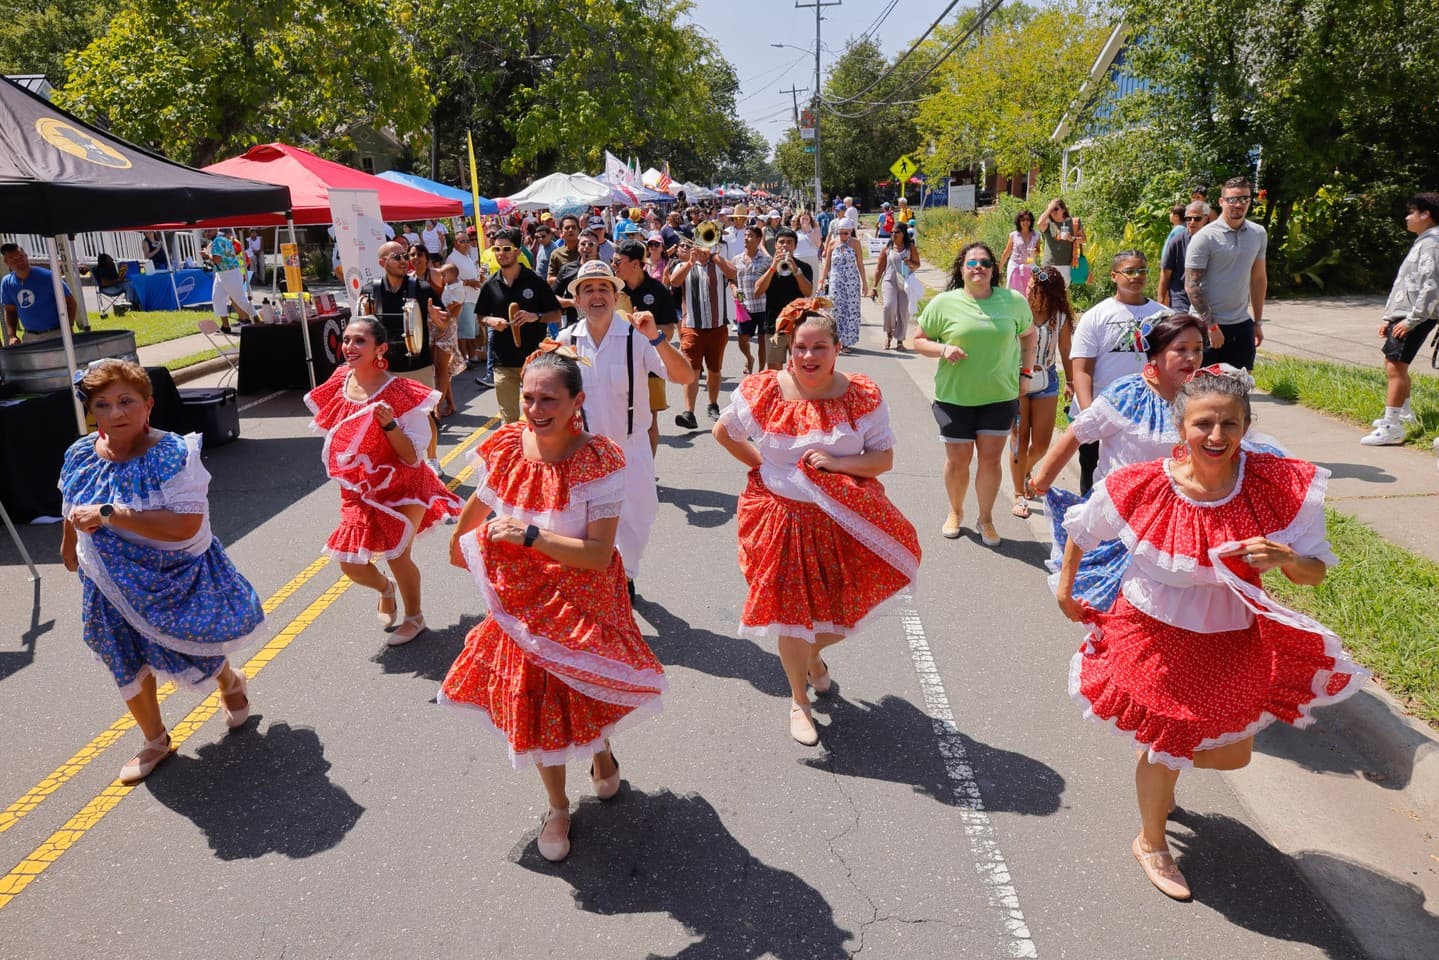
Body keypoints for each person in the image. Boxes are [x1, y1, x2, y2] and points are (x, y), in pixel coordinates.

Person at [1055, 366, 1368, 901]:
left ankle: (1158, 765)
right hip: (1151, 633)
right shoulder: (1144, 484)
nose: (1217, 436)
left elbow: (1315, 572)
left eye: (1230, 424)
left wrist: (1287, 558)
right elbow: (1081, 529)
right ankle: (1151, 840)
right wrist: (1066, 591)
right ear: (1182, 429)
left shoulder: (1273, 487)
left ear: (1246, 427)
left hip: (1230, 638)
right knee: (1166, 743)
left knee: (1232, 753)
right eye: (1204, 424)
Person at [439, 349, 667, 863]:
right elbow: (484, 499)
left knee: (582, 692)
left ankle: (601, 750)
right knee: (538, 705)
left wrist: (530, 536)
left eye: (548, 399)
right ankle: (558, 806)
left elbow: (598, 554)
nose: (535, 408)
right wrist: (461, 538)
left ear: (576, 403)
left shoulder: (599, 459)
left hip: (582, 598)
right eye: (528, 397)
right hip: (520, 601)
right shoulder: (506, 446)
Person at [713, 305, 920, 746]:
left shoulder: (861, 394)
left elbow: (883, 459)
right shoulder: (766, 389)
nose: (808, 356)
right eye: (801, 347)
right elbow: (724, 432)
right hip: (779, 518)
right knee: (789, 617)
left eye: (819, 347)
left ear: (837, 349)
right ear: (790, 349)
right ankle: (798, 700)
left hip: (841, 519)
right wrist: (763, 468)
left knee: (841, 611)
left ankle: (812, 659)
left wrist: (836, 462)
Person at [60, 359, 264, 783]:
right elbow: (71, 503)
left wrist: (111, 514)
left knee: (187, 648)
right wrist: (68, 543)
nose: (115, 413)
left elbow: (185, 524)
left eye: (125, 401)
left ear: (148, 405)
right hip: (107, 581)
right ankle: (155, 739)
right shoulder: (81, 454)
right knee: (123, 653)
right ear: (91, 412)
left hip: (172, 574)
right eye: (102, 404)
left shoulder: (171, 453)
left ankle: (229, 679)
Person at [1033, 313, 1212, 610]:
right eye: (1181, 350)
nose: (1191, 358)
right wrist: (1042, 481)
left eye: (1198, 349)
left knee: (1169, 610)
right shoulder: (1128, 394)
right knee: (1117, 608)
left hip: (1179, 524)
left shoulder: (1206, 397)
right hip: (1119, 522)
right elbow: (1077, 433)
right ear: (1155, 355)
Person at [305, 316, 462, 646]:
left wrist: (390, 426)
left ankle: (414, 617)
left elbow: (411, 457)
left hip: (404, 484)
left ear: (381, 349)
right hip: (359, 490)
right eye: (347, 339)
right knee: (350, 562)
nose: (350, 346)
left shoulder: (401, 392)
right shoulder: (338, 382)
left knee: (396, 553)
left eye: (359, 340)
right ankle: (385, 588)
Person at [556, 260, 694, 588]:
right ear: (577, 300)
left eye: (604, 287)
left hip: (630, 448)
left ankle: (625, 573)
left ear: (617, 295)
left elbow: (684, 376)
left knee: (637, 519)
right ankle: (607, 583)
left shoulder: (637, 336)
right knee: (584, 523)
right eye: (588, 289)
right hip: (583, 451)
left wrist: (657, 338)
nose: (596, 295)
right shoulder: (565, 340)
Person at [914, 242, 1037, 547]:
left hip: (999, 396)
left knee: (991, 459)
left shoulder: (1013, 301)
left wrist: (1026, 373)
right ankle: (955, 512)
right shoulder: (943, 303)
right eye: (971, 263)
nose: (978, 267)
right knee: (957, 461)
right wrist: (943, 348)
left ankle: (986, 518)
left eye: (984, 262)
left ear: (994, 269)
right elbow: (917, 341)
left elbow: (1029, 335)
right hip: (955, 397)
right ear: (961, 268)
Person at [1066, 250, 1169, 494]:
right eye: (1129, 271)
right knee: (1094, 480)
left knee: (1144, 481)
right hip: (1103, 412)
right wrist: (1090, 415)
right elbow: (1082, 370)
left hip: (1149, 415)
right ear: (1114, 276)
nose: (1137, 276)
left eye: (1142, 271)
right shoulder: (1096, 316)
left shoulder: (1165, 316)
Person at [1361, 192, 1439, 445]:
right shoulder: (1424, 241)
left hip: (1414, 316)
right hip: (1404, 314)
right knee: (1394, 364)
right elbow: (1405, 284)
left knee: (1396, 367)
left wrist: (1411, 320)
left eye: (1412, 212)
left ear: (1426, 215)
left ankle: (1391, 425)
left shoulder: (1432, 244)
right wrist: (1389, 316)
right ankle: (1403, 414)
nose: (1407, 217)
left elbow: (1431, 287)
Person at [476, 228, 563, 424]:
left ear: (518, 251)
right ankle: (515, 453)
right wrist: (490, 321)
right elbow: (480, 316)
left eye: (506, 249)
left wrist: (536, 316)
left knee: (538, 416)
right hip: (502, 361)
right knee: (509, 420)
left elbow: (556, 313)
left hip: (534, 361)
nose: (501, 253)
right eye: (496, 249)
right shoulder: (490, 285)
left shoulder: (535, 282)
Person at [1008, 267, 1074, 518]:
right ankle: (1018, 493)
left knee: (1042, 445)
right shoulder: (1017, 312)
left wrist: (1071, 381)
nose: (1028, 289)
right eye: (1029, 285)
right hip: (1015, 381)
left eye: (1034, 287)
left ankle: (1024, 471)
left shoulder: (1060, 318)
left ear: (1048, 293)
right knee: (1019, 440)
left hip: (1047, 380)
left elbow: (1066, 350)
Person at [1185, 176, 1268, 370]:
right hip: (1206, 325)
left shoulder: (1258, 233)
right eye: (1232, 199)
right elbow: (1191, 285)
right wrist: (1211, 326)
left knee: (1240, 388)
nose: (1238, 204)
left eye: (1244, 199)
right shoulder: (1204, 237)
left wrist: (1257, 322)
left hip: (1241, 324)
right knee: (1204, 390)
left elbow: (1258, 280)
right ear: (1222, 201)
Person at [613, 240, 681, 458]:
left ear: (634, 264)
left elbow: (670, 330)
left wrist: (645, 329)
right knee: (618, 422)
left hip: (650, 366)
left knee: (648, 422)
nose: (614, 265)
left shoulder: (658, 290)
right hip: (617, 365)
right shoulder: (612, 291)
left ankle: (647, 472)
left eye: (618, 261)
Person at [670, 236, 737, 427]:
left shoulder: (718, 263)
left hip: (717, 326)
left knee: (714, 369)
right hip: (692, 326)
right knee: (692, 369)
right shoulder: (683, 265)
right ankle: (689, 412)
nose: (701, 249)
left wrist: (714, 255)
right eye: (698, 245)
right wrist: (691, 262)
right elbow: (674, 282)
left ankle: (712, 404)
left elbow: (733, 272)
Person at [755, 227, 814, 370]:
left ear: (795, 246)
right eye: (781, 242)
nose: (785, 245)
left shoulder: (804, 267)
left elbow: (808, 292)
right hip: (774, 325)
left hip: (798, 325)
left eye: (789, 242)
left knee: (799, 367)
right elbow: (757, 291)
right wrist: (773, 268)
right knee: (774, 370)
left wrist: (797, 272)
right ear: (775, 245)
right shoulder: (766, 266)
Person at [1, 242, 78, 346]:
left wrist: (68, 327)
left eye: (20, 256)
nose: (19, 261)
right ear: (6, 261)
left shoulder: (48, 277)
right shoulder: (7, 283)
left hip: (56, 333)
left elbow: (70, 302)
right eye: (13, 259)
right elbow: (10, 310)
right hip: (30, 336)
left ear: (26, 256)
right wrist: (12, 335)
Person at [816, 218, 868, 352]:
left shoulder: (855, 243)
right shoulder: (833, 243)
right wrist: (821, 281)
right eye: (841, 233)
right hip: (836, 281)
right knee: (836, 310)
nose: (843, 236)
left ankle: (846, 342)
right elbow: (827, 263)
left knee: (850, 310)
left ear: (851, 231)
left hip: (851, 282)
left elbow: (860, 264)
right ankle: (835, 341)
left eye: (846, 233)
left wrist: (865, 283)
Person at [872, 224, 920, 350]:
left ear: (903, 233)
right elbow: (879, 269)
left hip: (905, 282)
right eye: (892, 232)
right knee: (889, 307)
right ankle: (888, 333)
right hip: (890, 281)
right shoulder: (887, 249)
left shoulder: (910, 248)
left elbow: (917, 265)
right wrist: (874, 287)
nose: (893, 235)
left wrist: (909, 263)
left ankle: (900, 340)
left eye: (897, 232)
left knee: (903, 312)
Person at [732, 226, 773, 375]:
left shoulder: (767, 260)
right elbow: (732, 280)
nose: (746, 238)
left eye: (750, 235)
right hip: (744, 306)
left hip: (763, 305)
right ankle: (749, 358)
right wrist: (735, 290)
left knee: (763, 341)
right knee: (742, 340)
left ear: (758, 239)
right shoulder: (737, 259)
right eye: (745, 235)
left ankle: (761, 371)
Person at [432, 262, 469, 417]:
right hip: (442, 325)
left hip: (448, 327)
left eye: (444, 274)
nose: (441, 277)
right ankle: (451, 404)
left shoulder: (458, 288)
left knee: (443, 370)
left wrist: (440, 319)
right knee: (443, 371)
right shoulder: (448, 287)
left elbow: (452, 308)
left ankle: (437, 409)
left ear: (454, 275)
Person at [1158, 202, 1208, 311]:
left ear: (1206, 219)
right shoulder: (1177, 241)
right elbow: (1165, 273)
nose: (1192, 222)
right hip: (1180, 297)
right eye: (1188, 219)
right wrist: (1161, 301)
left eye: (1197, 218)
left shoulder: (1214, 241)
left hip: (1206, 296)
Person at [445, 231, 485, 369]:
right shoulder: (452, 258)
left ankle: (471, 354)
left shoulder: (466, 256)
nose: (466, 244)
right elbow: (449, 280)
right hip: (463, 297)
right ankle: (464, 357)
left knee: (471, 330)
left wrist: (477, 279)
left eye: (467, 241)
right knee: (464, 330)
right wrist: (469, 282)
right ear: (456, 243)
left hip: (473, 296)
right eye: (462, 241)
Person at [205, 228, 254, 331]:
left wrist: (207, 255)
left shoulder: (219, 241)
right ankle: (227, 325)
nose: (206, 233)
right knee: (218, 298)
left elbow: (217, 259)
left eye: (209, 231)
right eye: (206, 231)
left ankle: (256, 321)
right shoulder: (222, 241)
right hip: (225, 273)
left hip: (230, 273)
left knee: (239, 299)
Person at [553, 233, 600, 329]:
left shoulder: (605, 270)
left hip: (602, 325)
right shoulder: (567, 269)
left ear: (597, 248)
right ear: (578, 247)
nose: (586, 247)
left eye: (591, 244)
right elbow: (552, 298)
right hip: (575, 327)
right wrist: (572, 302)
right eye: (583, 244)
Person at [1036, 198, 1086, 285]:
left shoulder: (1073, 222)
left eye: (1055, 209)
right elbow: (1039, 223)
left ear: (1063, 210)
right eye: (1051, 209)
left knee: (1061, 294)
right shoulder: (1048, 224)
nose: (1053, 211)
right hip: (1048, 265)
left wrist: (1072, 238)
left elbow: (1084, 239)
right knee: (1048, 295)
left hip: (1065, 266)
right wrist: (1049, 208)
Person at [999, 210, 1040, 296]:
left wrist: (1034, 252)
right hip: (1015, 265)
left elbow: (1038, 250)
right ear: (1019, 221)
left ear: (1031, 221)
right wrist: (999, 268)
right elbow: (1007, 252)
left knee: (1030, 290)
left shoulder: (1036, 235)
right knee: (1016, 291)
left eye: (1028, 219)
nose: (1025, 222)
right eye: (1023, 220)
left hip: (1029, 264)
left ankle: (1028, 308)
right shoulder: (1014, 235)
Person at [545, 215, 582, 285]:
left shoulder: (587, 250)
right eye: (567, 228)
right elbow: (549, 279)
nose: (571, 230)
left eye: (574, 227)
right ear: (561, 232)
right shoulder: (556, 254)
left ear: (579, 231)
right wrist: (567, 277)